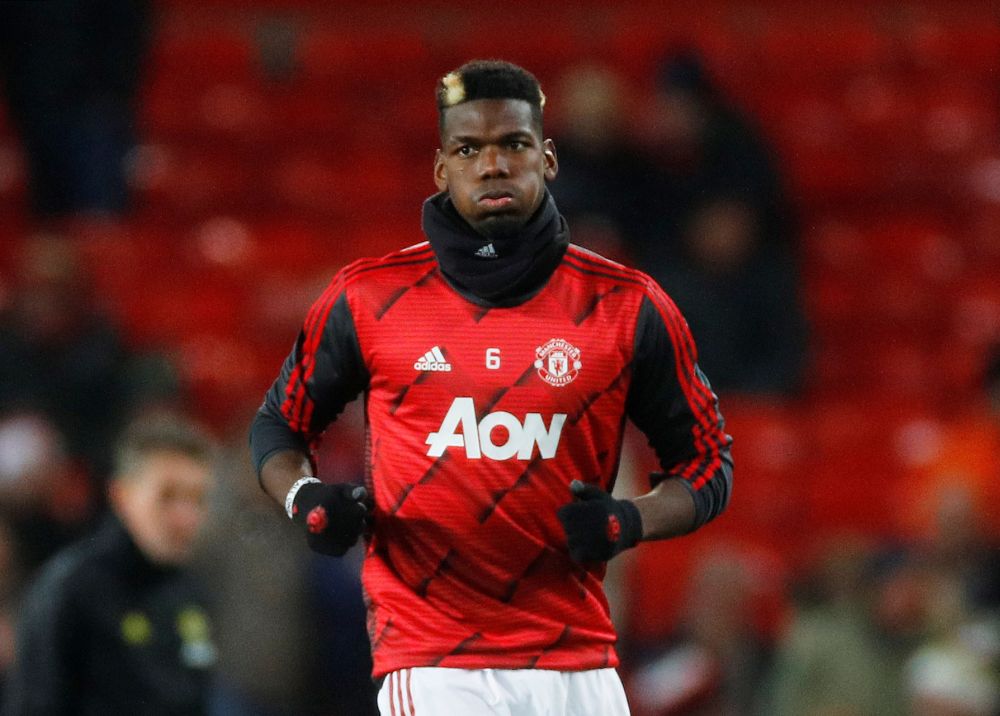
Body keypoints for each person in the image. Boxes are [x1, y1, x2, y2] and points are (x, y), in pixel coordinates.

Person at [249, 59, 733, 715]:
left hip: (582, 664)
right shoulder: (369, 299)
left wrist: (630, 518)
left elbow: (707, 465)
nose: (493, 164)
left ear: (549, 158)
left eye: (514, 144)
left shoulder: (627, 305)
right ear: (442, 168)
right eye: (469, 148)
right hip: (439, 662)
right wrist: (305, 495)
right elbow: (279, 426)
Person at [2, 415, 217, 716]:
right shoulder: (70, 589)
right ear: (122, 495)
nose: (186, 518)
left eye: (197, 498)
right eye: (167, 496)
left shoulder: (190, 591)